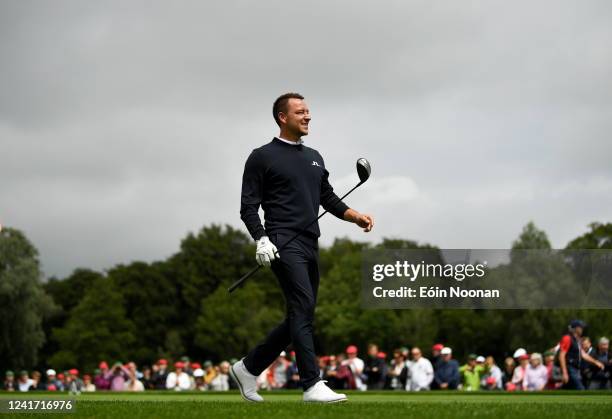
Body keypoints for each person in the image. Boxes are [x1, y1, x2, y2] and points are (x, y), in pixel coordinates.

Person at [231, 92, 374, 404]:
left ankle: (248, 368)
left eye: (308, 111)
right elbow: (248, 207)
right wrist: (262, 238)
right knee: (303, 308)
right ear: (283, 117)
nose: (308, 116)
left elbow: (328, 196)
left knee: (302, 311)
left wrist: (355, 216)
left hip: (310, 242)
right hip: (282, 241)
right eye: (300, 112)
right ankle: (311, 384)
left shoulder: (315, 157)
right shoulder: (262, 156)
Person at [558, 320, 605, 390]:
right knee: (581, 389)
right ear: (576, 328)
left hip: (576, 369)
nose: (582, 329)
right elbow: (561, 356)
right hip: (570, 368)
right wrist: (565, 373)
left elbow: (583, 354)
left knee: (569, 390)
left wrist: (596, 362)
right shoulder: (567, 338)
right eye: (581, 327)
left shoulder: (577, 340)